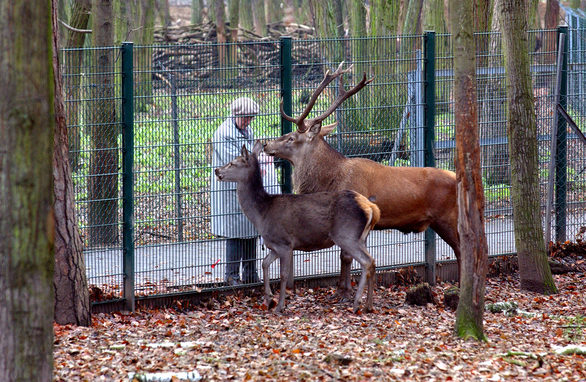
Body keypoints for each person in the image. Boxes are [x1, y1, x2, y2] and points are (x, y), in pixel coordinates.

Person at [211, 97, 262, 285]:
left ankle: (250, 274)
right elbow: (238, 162)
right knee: (235, 233)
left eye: (251, 118)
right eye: (246, 118)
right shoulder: (223, 133)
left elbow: (251, 155)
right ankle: (231, 276)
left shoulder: (246, 130)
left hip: (247, 189)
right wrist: (257, 159)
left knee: (250, 229)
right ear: (236, 114)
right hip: (230, 189)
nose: (248, 122)